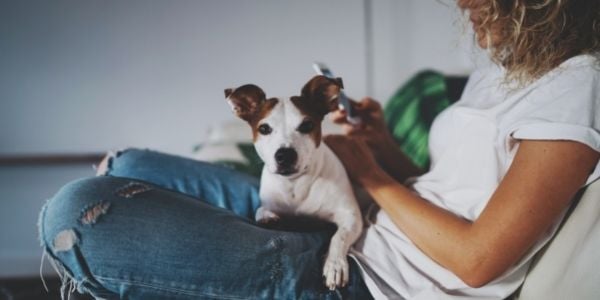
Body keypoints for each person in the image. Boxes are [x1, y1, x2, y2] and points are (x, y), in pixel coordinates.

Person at [39, 0, 599, 299]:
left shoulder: (580, 86)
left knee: (81, 213)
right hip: (372, 225)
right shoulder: (506, 71)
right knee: (132, 165)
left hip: (378, 282)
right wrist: (381, 146)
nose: (461, 3)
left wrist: (372, 176)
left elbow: (480, 261)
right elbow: (450, 186)